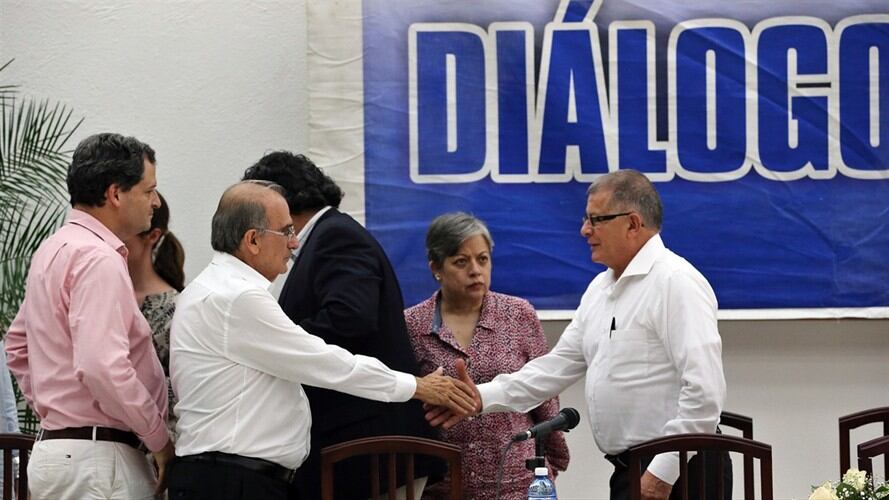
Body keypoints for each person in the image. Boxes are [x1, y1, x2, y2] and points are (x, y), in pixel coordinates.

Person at [428, 170, 728, 500]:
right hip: (632, 469)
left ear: (632, 223)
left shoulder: (676, 282)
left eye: (596, 220)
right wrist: (480, 397)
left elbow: (705, 394)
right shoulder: (601, 288)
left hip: (680, 470)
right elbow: (554, 368)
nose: (585, 230)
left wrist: (662, 473)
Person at [167, 180, 476, 500]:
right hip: (233, 482)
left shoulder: (208, 288)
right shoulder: (238, 297)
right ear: (253, 240)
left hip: (224, 477)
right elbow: (325, 362)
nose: (294, 244)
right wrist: (417, 386)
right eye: (286, 232)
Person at [242, 152, 441, 500]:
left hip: (372, 448)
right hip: (355, 444)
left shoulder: (335, 236)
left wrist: (280, 344)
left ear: (283, 200)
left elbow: (351, 315)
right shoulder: (325, 236)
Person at [4, 132, 174, 500]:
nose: (155, 202)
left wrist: (59, 411)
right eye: (148, 190)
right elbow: (102, 366)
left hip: (60, 453)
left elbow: (17, 345)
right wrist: (159, 438)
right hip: (100, 459)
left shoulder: (52, 250)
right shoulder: (99, 258)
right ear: (115, 194)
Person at [405, 212, 569, 499]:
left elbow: (546, 397)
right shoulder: (412, 325)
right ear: (436, 267)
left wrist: (550, 466)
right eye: (460, 261)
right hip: (443, 486)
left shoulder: (518, 315)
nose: (475, 270)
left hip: (517, 482)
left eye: (482, 259)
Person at [125, 192, 185, 440]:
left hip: (159, 447)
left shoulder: (176, 308)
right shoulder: (104, 296)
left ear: (153, 236)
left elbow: (182, 389)